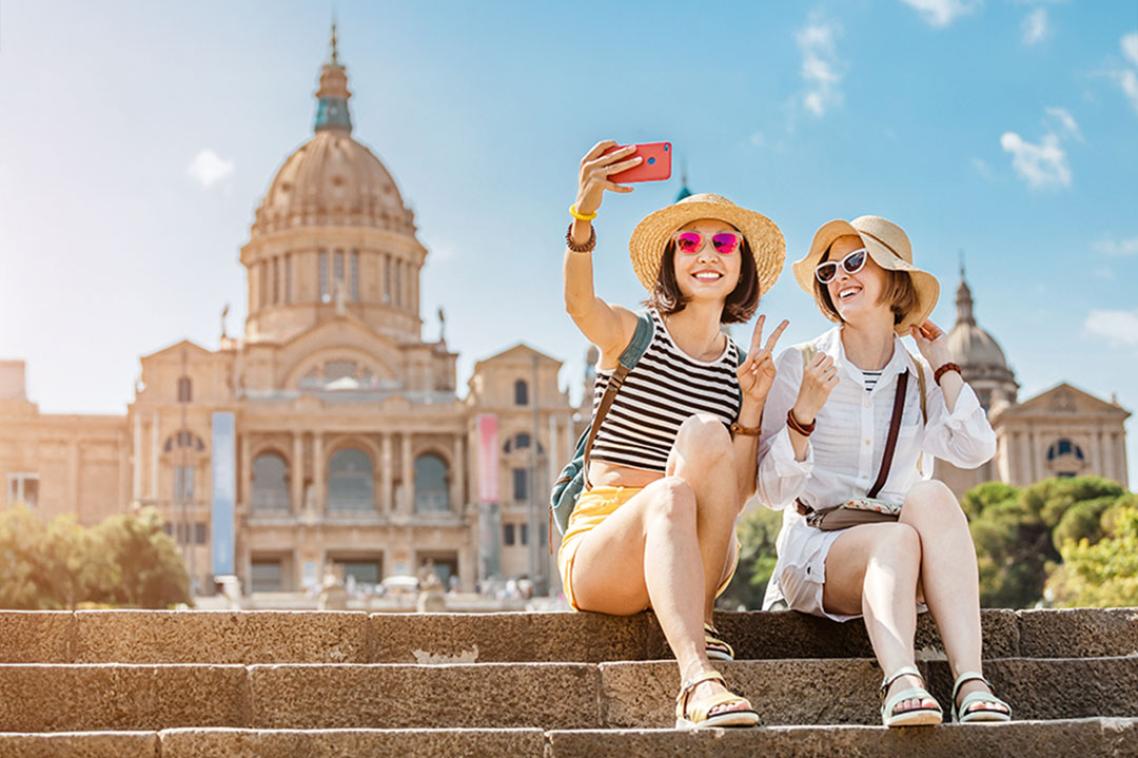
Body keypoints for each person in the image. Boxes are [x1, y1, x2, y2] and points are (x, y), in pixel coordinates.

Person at [559, 140, 788, 729]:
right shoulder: (634, 334)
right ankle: (696, 680)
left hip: (696, 548)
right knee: (667, 495)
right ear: (671, 262)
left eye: (723, 242)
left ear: (742, 265)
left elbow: (731, 499)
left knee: (708, 439)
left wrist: (754, 407)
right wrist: (582, 216)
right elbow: (580, 304)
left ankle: (701, 622)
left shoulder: (741, 368)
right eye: (688, 242)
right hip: (604, 550)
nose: (705, 253)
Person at [755, 215, 1013, 727]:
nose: (840, 276)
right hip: (819, 550)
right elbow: (768, 492)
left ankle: (972, 682)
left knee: (934, 495)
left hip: (905, 555)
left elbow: (978, 447)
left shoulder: (918, 375)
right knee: (894, 542)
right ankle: (901, 680)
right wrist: (802, 415)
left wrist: (943, 364)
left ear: (894, 278)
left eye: (855, 262)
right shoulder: (798, 364)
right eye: (829, 270)